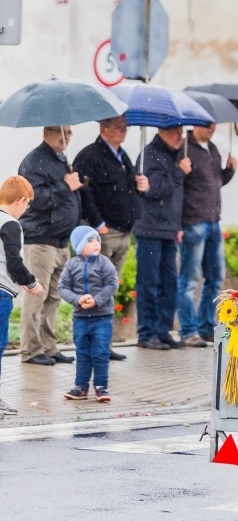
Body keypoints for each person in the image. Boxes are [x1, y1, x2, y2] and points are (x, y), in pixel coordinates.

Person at [73, 115, 150, 361]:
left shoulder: (122, 155)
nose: (123, 131)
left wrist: (140, 185)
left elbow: (126, 189)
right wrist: (98, 224)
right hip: (104, 234)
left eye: (125, 127)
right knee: (93, 288)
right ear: (103, 128)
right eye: (118, 127)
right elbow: (85, 194)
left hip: (123, 231)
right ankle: (90, 345)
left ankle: (103, 344)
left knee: (108, 290)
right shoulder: (90, 156)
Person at [18, 125, 82, 366]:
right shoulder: (35, 161)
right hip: (40, 238)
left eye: (69, 131)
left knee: (54, 297)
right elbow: (34, 199)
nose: (66, 136)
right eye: (60, 131)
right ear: (46, 133)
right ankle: (31, 350)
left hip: (59, 239)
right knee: (36, 296)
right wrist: (65, 185)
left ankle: (48, 346)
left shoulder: (62, 159)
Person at [177, 124, 237, 347]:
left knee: (215, 279)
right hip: (193, 222)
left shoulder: (212, 148)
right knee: (189, 280)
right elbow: (179, 186)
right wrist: (179, 224)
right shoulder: (184, 149)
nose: (212, 128)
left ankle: (206, 326)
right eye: (207, 124)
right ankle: (188, 330)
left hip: (213, 222)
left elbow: (215, 182)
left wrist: (229, 170)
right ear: (195, 125)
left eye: (214, 124)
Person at [133, 126, 191, 350]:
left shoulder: (176, 155)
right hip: (149, 228)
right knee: (149, 283)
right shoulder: (149, 154)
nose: (180, 137)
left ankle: (163, 330)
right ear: (161, 132)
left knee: (170, 284)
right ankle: (146, 332)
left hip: (169, 229)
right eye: (175, 132)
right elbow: (153, 189)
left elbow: (177, 195)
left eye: (181, 132)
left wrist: (178, 225)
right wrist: (178, 172)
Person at [0, 176, 44, 418]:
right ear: (20, 200)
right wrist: (30, 282)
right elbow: (14, 262)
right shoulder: (10, 224)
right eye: (28, 203)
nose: (27, 209)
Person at [59, 226, 119, 402]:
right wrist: (78, 299)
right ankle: (80, 386)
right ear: (79, 245)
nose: (96, 244)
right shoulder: (71, 265)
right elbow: (62, 287)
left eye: (97, 240)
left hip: (103, 317)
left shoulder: (105, 263)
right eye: (90, 240)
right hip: (81, 318)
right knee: (82, 353)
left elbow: (112, 284)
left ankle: (101, 387)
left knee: (101, 352)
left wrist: (97, 300)